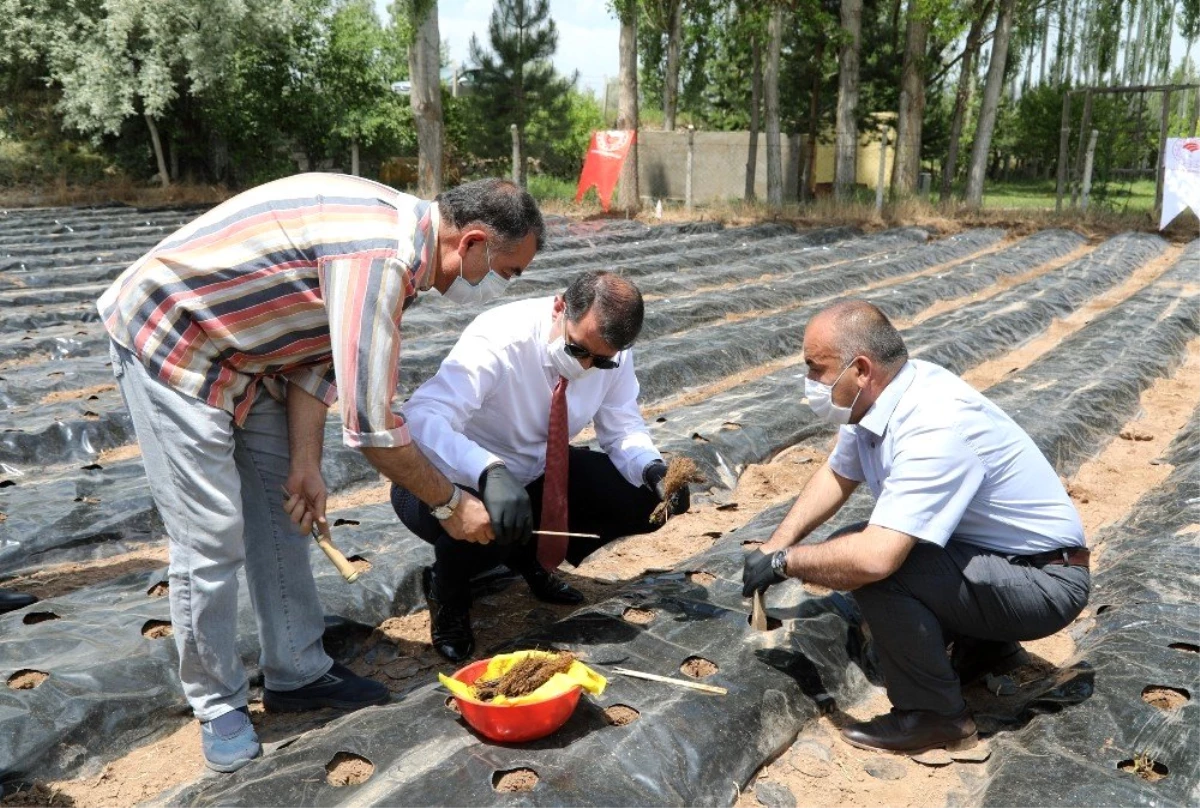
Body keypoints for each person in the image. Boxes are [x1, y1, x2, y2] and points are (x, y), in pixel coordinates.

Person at [98, 173, 544, 773]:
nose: (495, 287)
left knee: (288, 515)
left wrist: (305, 463)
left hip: (253, 355)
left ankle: (296, 671)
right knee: (211, 538)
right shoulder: (378, 258)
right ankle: (217, 702)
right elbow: (375, 431)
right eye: (504, 272)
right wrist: (449, 505)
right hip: (175, 342)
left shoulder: (403, 249)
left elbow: (317, 353)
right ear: (471, 243)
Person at [742, 300, 1089, 755]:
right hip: (1001, 562)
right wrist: (776, 544)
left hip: (1043, 582)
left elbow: (874, 559)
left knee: (877, 564)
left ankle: (934, 716)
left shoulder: (934, 423)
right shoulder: (879, 400)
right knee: (876, 540)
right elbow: (838, 475)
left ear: (860, 369)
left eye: (816, 368)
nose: (810, 382)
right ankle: (986, 653)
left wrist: (787, 564)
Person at [390, 270, 690, 661]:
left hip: (536, 474)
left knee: (641, 500)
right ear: (559, 307)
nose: (585, 366)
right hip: (444, 482)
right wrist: (486, 469)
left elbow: (622, 426)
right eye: (578, 349)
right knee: (495, 516)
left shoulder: (612, 352)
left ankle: (529, 558)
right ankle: (447, 592)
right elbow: (423, 417)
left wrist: (652, 469)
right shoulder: (500, 339)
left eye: (600, 361)